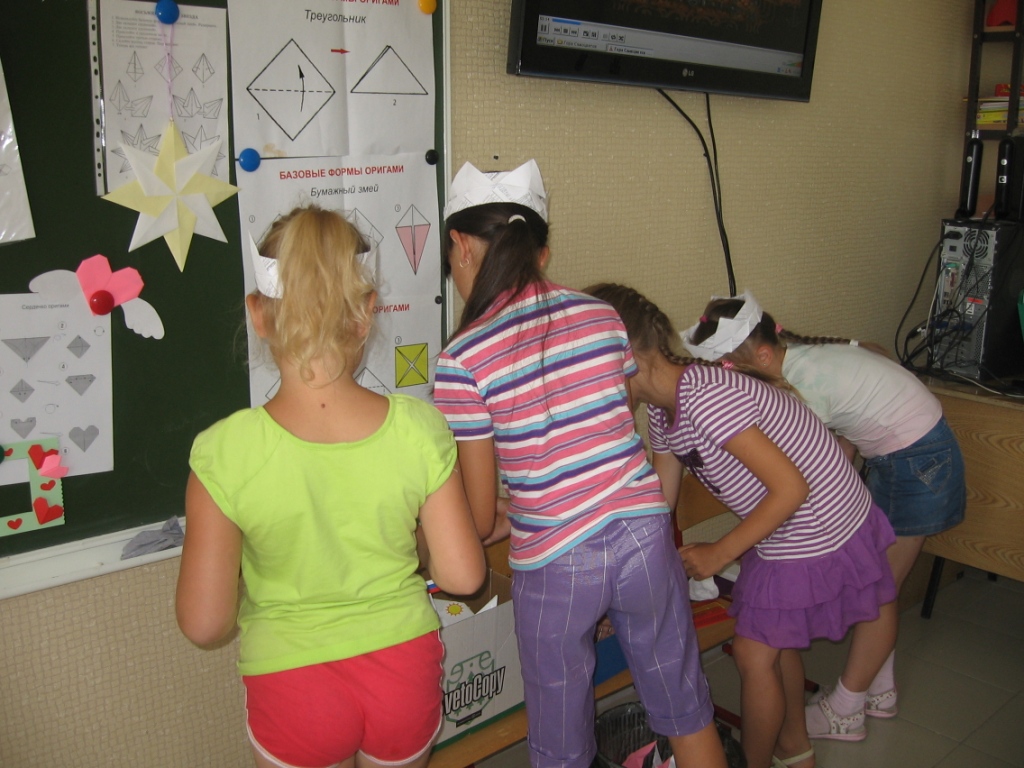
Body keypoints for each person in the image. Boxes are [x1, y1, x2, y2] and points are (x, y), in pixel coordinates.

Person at [433, 160, 726, 768]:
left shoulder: (462, 359)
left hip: (557, 562)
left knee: (561, 741)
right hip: (645, 534)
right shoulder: (601, 316)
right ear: (540, 252)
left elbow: (481, 518)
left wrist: (510, 510)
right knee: (686, 708)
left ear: (460, 245)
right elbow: (600, 438)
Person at [175, 206, 485, 768]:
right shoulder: (419, 429)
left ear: (258, 314)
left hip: (293, 686)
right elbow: (464, 575)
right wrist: (410, 545)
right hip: (402, 674)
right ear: (365, 314)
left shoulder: (223, 453)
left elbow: (204, 622)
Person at [586, 284, 899, 768]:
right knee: (773, 644)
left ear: (625, 356)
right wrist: (618, 586)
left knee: (755, 654)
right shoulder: (665, 413)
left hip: (817, 520)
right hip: (787, 521)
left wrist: (719, 553)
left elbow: (791, 489)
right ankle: (795, 748)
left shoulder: (706, 397)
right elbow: (658, 507)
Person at [691, 290, 966, 729]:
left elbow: (807, 468)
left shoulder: (804, 385)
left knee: (878, 591)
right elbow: (839, 445)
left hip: (916, 460)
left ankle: (845, 710)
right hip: (912, 450)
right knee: (878, 584)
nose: (728, 379)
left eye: (729, 368)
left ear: (763, 355)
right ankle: (879, 690)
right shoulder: (803, 358)